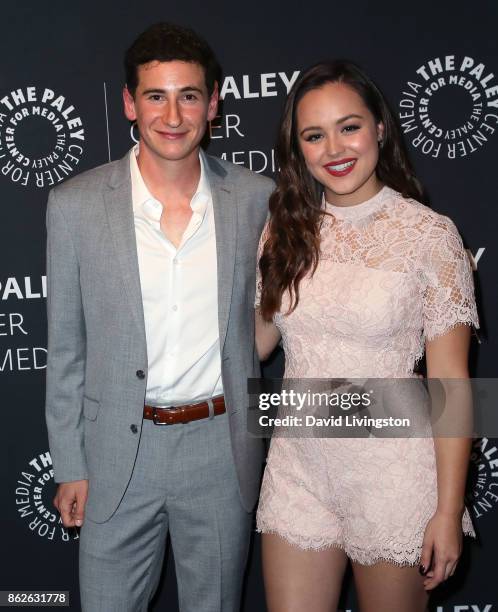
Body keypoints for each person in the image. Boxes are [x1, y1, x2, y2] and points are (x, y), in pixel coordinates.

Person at [45, 22, 273, 612]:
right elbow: (66, 350)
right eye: (155, 95)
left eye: (189, 95)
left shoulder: (256, 199)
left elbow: (274, 325)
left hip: (221, 450)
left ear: (213, 102)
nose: (172, 115)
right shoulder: (74, 206)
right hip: (118, 451)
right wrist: (70, 464)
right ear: (128, 104)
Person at [254, 61, 478, 612]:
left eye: (348, 126)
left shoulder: (430, 235)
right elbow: (255, 344)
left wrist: (448, 512)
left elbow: (452, 383)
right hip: (298, 470)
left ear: (380, 127)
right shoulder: (283, 229)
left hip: (393, 475)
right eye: (314, 135)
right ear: (299, 148)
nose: (334, 147)